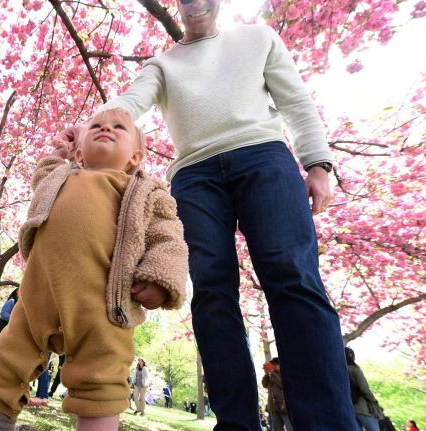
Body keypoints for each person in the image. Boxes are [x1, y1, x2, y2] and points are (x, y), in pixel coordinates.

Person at [87, 0, 356, 429]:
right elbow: (127, 104)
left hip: (264, 158)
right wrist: (92, 128)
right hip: (195, 176)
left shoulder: (257, 38)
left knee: (293, 277)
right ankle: (236, 423)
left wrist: (318, 164)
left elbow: (296, 102)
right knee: (211, 291)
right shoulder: (163, 64)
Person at [0, 109, 188, 431]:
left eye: (118, 127)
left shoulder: (142, 192)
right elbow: (43, 174)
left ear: (135, 157)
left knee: (100, 374)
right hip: (37, 296)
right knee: (9, 357)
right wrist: (62, 150)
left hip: (101, 304)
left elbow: (167, 236)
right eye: (97, 126)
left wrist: (160, 277)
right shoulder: (63, 176)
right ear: (79, 150)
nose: (106, 128)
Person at [347, 347, 384, 431]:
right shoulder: (354, 369)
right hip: (361, 407)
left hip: (348, 407)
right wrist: (374, 400)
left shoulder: (339, 369)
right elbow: (364, 389)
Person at [262, 357, 292, 431]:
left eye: (275, 364)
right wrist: (266, 374)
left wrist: (272, 373)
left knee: (290, 427)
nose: (273, 366)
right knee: (277, 429)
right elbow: (264, 384)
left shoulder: (283, 373)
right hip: (273, 407)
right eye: (272, 364)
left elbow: (282, 385)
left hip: (284, 406)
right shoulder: (270, 375)